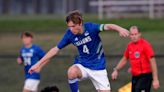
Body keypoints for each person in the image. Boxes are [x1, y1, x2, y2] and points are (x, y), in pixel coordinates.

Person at [28, 10, 129, 92]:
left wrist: (119, 29)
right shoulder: (69, 34)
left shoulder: (91, 27)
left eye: (72, 26)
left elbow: (107, 26)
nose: (71, 29)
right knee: (71, 72)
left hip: (98, 68)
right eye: (69, 27)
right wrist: (38, 64)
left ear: (80, 23)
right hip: (83, 65)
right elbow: (55, 49)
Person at [111, 26, 160, 92]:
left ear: (139, 34)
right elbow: (124, 59)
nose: (134, 36)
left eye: (135, 34)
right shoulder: (130, 46)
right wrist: (116, 69)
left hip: (145, 76)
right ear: (129, 35)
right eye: (132, 34)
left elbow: (153, 62)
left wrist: (155, 79)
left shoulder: (145, 45)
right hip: (135, 76)